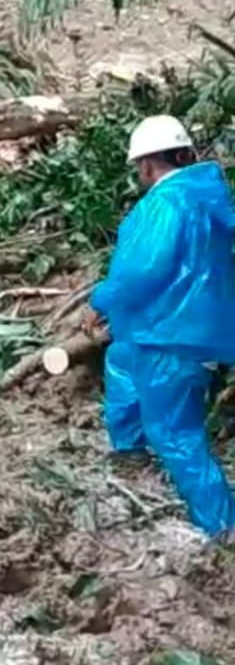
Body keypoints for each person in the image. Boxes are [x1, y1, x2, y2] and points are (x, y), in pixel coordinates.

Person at [85, 113, 235, 536]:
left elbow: (143, 270)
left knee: (175, 431)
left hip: (170, 336)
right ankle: (130, 450)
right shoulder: (203, 201)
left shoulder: (166, 204)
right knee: (121, 362)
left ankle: (222, 525)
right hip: (168, 330)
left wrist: (100, 301)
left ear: (148, 164)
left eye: (139, 168)